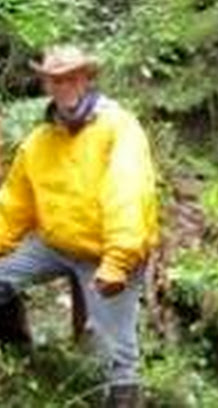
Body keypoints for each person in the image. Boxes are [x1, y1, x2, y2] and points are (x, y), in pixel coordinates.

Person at [0, 45, 159, 407]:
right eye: (56, 80)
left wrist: (118, 259)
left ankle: (123, 397)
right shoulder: (39, 142)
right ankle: (20, 350)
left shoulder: (117, 127)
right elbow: (12, 205)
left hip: (109, 251)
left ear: (86, 78)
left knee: (117, 353)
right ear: (46, 85)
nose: (65, 86)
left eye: (72, 77)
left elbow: (128, 193)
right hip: (57, 245)